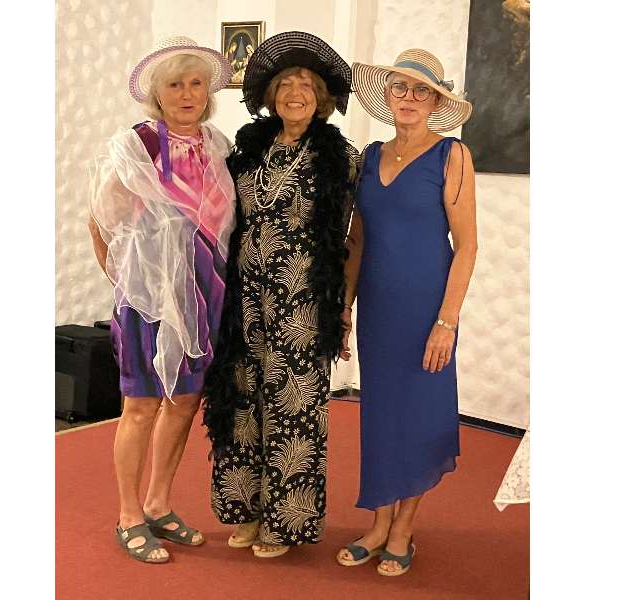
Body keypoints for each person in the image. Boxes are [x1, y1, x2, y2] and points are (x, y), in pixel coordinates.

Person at [201, 31, 359, 559]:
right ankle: (245, 510)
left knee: (294, 407)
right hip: (244, 300)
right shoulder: (246, 151)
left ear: (322, 98)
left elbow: (352, 237)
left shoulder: (342, 157)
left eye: (307, 85)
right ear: (271, 95)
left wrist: (343, 307)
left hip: (303, 305)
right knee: (242, 403)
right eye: (286, 83)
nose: (296, 92)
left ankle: (285, 522)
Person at [88, 36, 235, 563]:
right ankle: (129, 515)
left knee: (185, 402)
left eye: (196, 83)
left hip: (204, 293)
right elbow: (100, 220)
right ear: (157, 93)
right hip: (149, 300)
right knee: (142, 405)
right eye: (175, 84)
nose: (187, 93)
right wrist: (129, 284)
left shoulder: (218, 145)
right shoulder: (137, 145)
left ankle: (158, 504)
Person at [336, 49, 477, 576]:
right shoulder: (370, 156)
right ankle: (378, 524)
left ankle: (403, 529)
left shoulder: (451, 155)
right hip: (377, 309)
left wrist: (447, 321)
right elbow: (356, 241)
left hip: (426, 311)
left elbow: (467, 246)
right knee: (379, 414)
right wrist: (344, 307)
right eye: (401, 88)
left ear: (437, 102)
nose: (410, 98)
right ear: (387, 95)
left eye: (423, 91)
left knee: (417, 415)